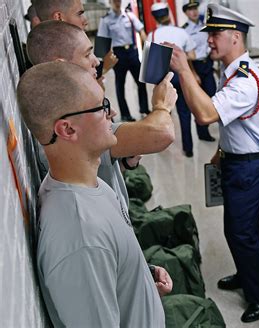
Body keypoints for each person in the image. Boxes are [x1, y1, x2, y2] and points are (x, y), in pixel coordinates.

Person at [17, 61, 172, 327]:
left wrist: (137, 282)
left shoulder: (89, 184)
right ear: (67, 129)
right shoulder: (80, 235)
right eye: (101, 107)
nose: (110, 113)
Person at [167, 3, 259, 323]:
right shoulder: (231, 72)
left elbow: (205, 114)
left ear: (235, 37)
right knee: (235, 230)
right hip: (235, 160)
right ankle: (247, 275)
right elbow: (229, 121)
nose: (210, 40)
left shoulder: (243, 80)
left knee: (244, 234)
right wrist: (222, 148)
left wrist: (185, 71)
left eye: (215, 34)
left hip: (248, 167)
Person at [26, 20, 177, 211]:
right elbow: (161, 133)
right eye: (87, 54)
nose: (96, 61)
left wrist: (125, 161)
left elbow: (101, 171)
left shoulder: (68, 110)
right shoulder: (75, 120)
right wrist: (162, 105)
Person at [147, 3, 211, 157]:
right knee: (184, 112)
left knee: (163, 111)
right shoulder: (181, 32)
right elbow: (193, 56)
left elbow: (151, 63)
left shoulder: (152, 35)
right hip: (181, 75)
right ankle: (188, 148)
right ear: (169, 15)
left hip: (163, 79)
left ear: (155, 18)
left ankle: (162, 144)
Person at [98, 0, 149, 121]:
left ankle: (145, 108)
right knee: (120, 85)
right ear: (110, 2)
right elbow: (102, 43)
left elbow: (141, 30)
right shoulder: (105, 20)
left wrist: (148, 48)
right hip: (118, 54)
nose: (117, 3)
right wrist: (102, 64)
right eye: (115, 1)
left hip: (132, 52)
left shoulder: (129, 16)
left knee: (141, 81)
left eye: (119, 1)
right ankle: (125, 114)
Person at [182, 0, 216, 141]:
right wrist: (193, 74)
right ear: (185, 12)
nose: (194, 12)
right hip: (195, 67)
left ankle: (210, 124)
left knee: (212, 96)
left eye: (195, 8)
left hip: (207, 65)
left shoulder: (205, 25)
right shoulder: (184, 30)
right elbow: (187, 55)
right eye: (190, 9)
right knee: (199, 101)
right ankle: (202, 133)